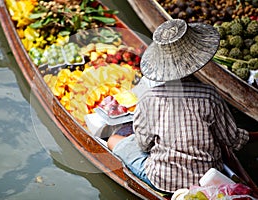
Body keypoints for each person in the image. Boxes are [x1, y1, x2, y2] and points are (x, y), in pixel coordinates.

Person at [107, 19, 249, 194]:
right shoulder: (209, 95)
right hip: (206, 179)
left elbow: (144, 145)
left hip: (163, 180)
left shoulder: (149, 98)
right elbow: (232, 140)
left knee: (114, 140)